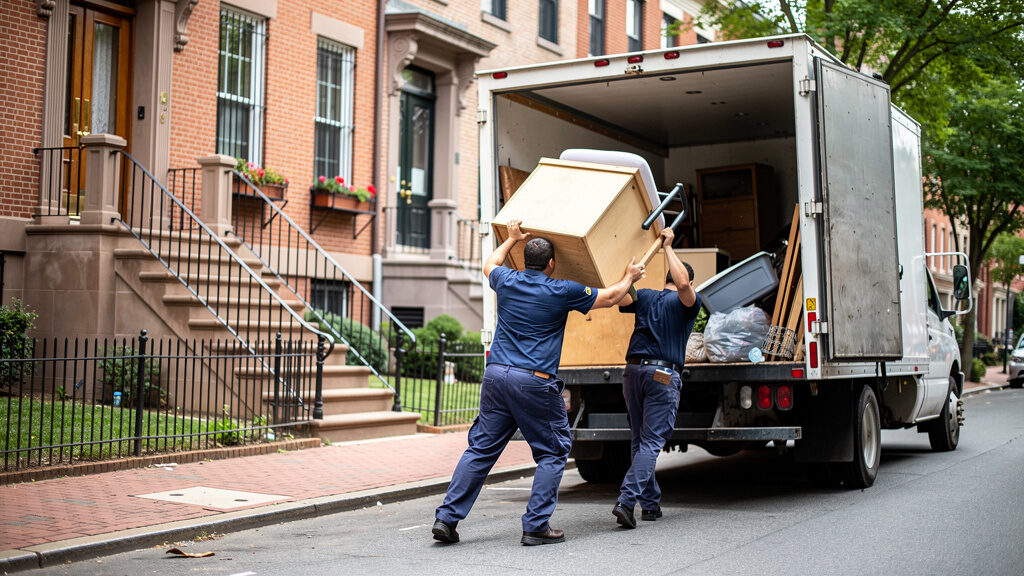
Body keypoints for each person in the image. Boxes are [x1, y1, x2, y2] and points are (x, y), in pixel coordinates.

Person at [433, 219, 644, 546]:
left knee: (480, 450)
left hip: (496, 375)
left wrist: (511, 240)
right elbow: (612, 296)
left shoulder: (507, 280)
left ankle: (446, 519)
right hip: (532, 381)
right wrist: (630, 277)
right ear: (551, 264)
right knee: (554, 451)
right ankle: (535, 525)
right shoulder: (562, 290)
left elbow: (489, 263)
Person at [612, 227, 701, 529]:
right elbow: (685, 282)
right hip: (662, 374)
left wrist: (629, 277)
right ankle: (627, 501)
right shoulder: (689, 303)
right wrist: (668, 248)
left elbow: (622, 298)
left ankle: (650, 505)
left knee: (640, 440)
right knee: (651, 442)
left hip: (633, 372)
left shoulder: (647, 297)